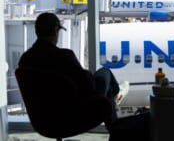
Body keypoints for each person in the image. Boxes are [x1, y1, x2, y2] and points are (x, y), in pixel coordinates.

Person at [17, 12, 149, 140]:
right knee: (104, 73)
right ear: (55, 30)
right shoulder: (64, 56)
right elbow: (88, 87)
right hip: (71, 117)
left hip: (43, 122)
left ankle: (112, 101)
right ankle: (114, 101)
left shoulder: (25, 60)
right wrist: (87, 74)